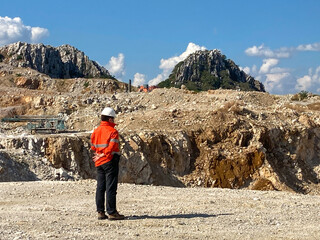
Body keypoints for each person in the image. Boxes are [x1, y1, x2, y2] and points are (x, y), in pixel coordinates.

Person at [90, 107, 125, 220]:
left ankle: (100, 212)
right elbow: (111, 147)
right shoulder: (113, 131)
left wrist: (99, 154)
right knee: (110, 187)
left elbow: (93, 146)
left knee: (100, 187)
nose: (114, 121)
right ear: (110, 119)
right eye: (113, 119)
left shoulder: (96, 131)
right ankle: (112, 212)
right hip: (110, 160)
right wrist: (104, 154)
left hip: (99, 162)